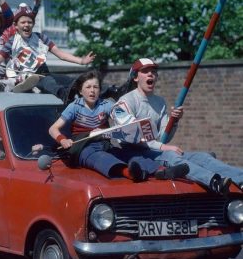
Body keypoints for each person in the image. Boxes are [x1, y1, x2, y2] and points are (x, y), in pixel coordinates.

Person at [111, 57, 243, 194]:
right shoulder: (125, 103)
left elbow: (163, 137)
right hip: (134, 153)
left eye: (153, 71)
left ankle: (241, 179)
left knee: (202, 157)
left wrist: (174, 121)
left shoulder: (159, 102)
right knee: (172, 156)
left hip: (155, 151)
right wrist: (163, 147)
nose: (150, 74)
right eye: (145, 71)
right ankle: (215, 182)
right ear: (135, 77)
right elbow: (134, 136)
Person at [49, 70, 189, 181]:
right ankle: (130, 173)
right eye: (88, 87)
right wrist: (63, 139)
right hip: (84, 148)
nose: (92, 91)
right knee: (100, 158)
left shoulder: (107, 105)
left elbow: (124, 120)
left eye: (96, 87)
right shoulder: (75, 106)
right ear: (80, 91)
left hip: (105, 145)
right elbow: (53, 129)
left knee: (127, 154)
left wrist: (133, 124)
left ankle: (161, 171)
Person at [0, 4, 95, 98]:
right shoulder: (12, 41)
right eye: (23, 22)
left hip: (44, 73)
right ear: (16, 26)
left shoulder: (41, 38)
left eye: (30, 22)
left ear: (33, 24)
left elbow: (61, 54)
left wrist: (81, 61)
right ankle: (62, 94)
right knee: (48, 82)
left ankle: (105, 92)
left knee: (72, 81)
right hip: (27, 77)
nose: (26, 25)